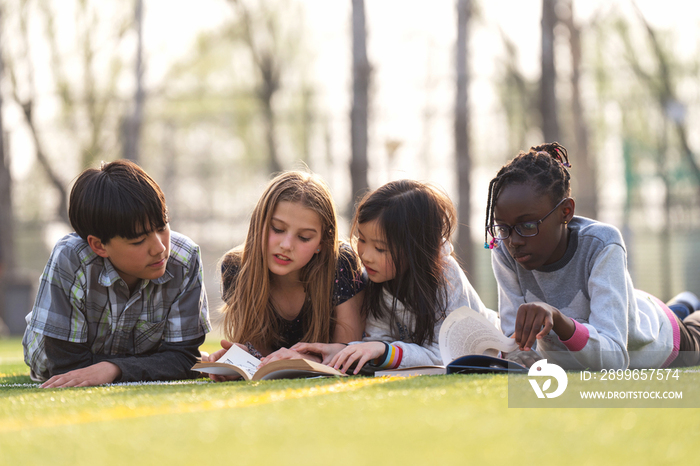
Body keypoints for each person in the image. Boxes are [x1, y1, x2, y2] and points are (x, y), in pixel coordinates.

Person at [484, 142, 700, 370]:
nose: (514, 241)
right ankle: (683, 303)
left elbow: (615, 359)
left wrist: (558, 320)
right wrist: (518, 357)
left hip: (659, 339)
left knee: (694, 335)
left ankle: (685, 307)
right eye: (503, 227)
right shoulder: (504, 249)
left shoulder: (602, 244)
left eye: (527, 225)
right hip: (629, 307)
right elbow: (516, 343)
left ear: (565, 211)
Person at [23, 160, 211, 388]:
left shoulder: (184, 259)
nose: (160, 248)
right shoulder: (71, 260)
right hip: (47, 362)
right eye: (139, 241)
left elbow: (185, 359)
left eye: (162, 227)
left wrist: (114, 369)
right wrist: (155, 364)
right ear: (99, 246)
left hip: (118, 359)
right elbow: (67, 366)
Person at [294, 180, 499, 374]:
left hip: (496, 353)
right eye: (362, 239)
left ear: (415, 249)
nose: (365, 255)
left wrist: (385, 350)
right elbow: (377, 343)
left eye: (380, 248)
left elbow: (451, 355)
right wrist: (340, 351)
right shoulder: (375, 279)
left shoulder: (446, 277)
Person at [205, 170, 365, 379]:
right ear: (258, 223)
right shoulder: (237, 267)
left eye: (304, 237)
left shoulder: (341, 263)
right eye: (277, 229)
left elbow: (348, 353)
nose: (286, 245)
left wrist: (307, 361)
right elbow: (261, 359)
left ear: (321, 243)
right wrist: (244, 358)